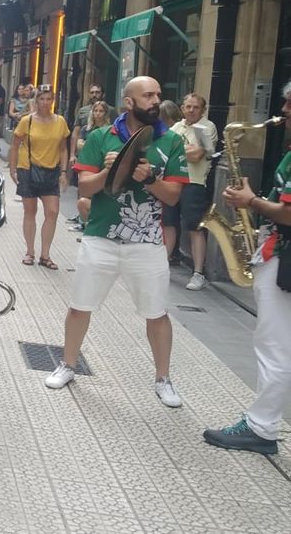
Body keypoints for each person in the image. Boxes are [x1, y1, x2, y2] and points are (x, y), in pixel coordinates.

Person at [45, 76, 189, 407]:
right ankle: (68, 365)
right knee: (80, 305)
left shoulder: (171, 141)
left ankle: (163, 379)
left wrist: (149, 179)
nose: (155, 100)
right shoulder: (101, 136)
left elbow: (172, 196)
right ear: (129, 101)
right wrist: (109, 172)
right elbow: (83, 188)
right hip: (101, 237)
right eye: (148, 95)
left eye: (158, 94)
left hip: (148, 242)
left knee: (156, 312)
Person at [202, 84, 291, 455]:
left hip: (285, 260)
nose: (283, 109)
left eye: (290, 103)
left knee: (274, 346)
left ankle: (261, 426)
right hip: (279, 254)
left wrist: (251, 201)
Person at [8, 88, 69, 270]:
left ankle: (45, 255)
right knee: (30, 211)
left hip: (51, 170)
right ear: (36, 101)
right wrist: (13, 169)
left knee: (53, 212)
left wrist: (63, 172)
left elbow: (63, 148)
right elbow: (15, 145)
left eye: (49, 99)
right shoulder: (27, 121)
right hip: (28, 169)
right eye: (42, 99)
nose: (45, 102)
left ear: (53, 101)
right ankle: (30, 251)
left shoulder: (60, 122)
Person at [166, 93, 218, 290]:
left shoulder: (207, 127)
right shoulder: (176, 127)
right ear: (182, 108)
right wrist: (185, 150)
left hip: (194, 182)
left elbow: (197, 155)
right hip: (173, 180)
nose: (191, 110)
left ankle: (198, 273)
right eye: (188, 106)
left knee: (194, 227)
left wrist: (176, 151)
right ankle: (163, 266)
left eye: (196, 107)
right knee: (169, 224)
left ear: (203, 110)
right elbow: (164, 151)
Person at [70, 101, 113, 232]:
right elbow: (79, 144)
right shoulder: (87, 129)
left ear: (105, 114)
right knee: (82, 190)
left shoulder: (109, 131)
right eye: (95, 111)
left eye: (101, 111)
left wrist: (86, 144)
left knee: (96, 193)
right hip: (86, 163)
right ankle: (82, 220)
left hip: (101, 166)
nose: (98, 114)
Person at [70, 84, 115, 162]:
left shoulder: (112, 111)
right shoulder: (82, 111)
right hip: (84, 154)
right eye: (92, 92)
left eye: (97, 92)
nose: (94, 95)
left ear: (103, 94)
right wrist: (72, 155)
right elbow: (76, 133)